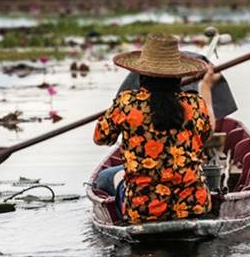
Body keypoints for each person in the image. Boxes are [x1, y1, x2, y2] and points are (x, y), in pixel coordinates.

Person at [93, 33, 221, 223]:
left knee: (104, 177)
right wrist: (206, 88)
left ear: (142, 74)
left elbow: (100, 137)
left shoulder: (127, 103)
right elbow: (207, 132)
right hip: (193, 205)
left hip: (142, 210)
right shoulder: (194, 104)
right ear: (178, 76)